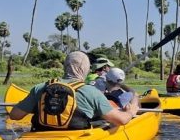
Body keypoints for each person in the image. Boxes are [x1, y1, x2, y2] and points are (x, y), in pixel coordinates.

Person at [9, 51, 138, 130]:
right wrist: (131, 111)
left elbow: (14, 115)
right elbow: (120, 120)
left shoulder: (40, 87)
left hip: (40, 133)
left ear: (65, 67)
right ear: (86, 69)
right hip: (76, 137)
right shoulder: (92, 92)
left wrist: (40, 105)